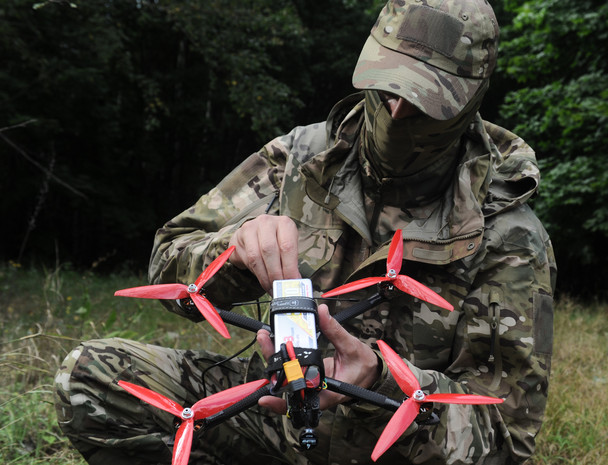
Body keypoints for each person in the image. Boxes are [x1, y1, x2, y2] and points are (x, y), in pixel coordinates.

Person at [54, 0, 556, 463]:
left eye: (426, 103)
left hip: (395, 450)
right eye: (387, 88)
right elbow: (167, 261)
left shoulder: (507, 234)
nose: (398, 113)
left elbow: (505, 439)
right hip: (273, 412)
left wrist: (385, 388)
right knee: (94, 376)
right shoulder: (298, 160)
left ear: (470, 103)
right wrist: (231, 253)